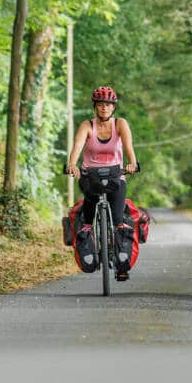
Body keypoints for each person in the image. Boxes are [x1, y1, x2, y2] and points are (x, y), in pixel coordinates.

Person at [66, 86, 139, 279]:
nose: (104, 108)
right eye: (100, 105)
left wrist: (132, 163)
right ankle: (89, 238)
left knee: (118, 220)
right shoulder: (87, 126)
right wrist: (72, 165)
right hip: (91, 175)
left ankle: (122, 264)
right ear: (95, 107)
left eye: (108, 105)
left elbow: (129, 146)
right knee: (88, 213)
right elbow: (77, 146)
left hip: (116, 175)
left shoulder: (120, 124)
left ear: (113, 107)